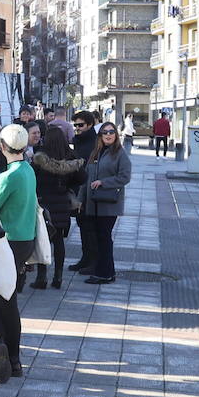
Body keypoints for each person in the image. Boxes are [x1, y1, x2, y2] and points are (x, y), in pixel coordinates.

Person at [0, 125, 36, 383]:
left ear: (1, 146)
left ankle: (1, 346)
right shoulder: (27, 170)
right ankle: (13, 359)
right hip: (25, 241)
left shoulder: (8, 177)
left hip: (6, 244)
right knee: (8, 298)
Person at [31, 127, 85, 290]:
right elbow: (82, 177)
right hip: (62, 202)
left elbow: (33, 178)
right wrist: (67, 185)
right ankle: (58, 277)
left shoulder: (40, 157)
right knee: (59, 240)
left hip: (44, 202)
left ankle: (42, 278)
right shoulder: (70, 157)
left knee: (42, 240)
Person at [78, 122, 132, 284]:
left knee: (104, 238)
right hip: (92, 203)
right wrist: (80, 199)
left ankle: (105, 273)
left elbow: (124, 177)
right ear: (100, 136)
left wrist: (104, 182)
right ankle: (105, 270)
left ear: (116, 135)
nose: (108, 135)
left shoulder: (120, 154)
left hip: (108, 204)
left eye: (111, 132)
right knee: (99, 238)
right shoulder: (96, 153)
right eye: (104, 132)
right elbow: (86, 178)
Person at [67, 111, 100, 276]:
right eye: (75, 125)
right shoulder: (80, 141)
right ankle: (86, 259)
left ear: (90, 125)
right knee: (83, 226)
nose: (77, 128)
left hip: (89, 191)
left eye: (80, 125)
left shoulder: (93, 142)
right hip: (79, 189)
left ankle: (93, 261)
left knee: (90, 227)